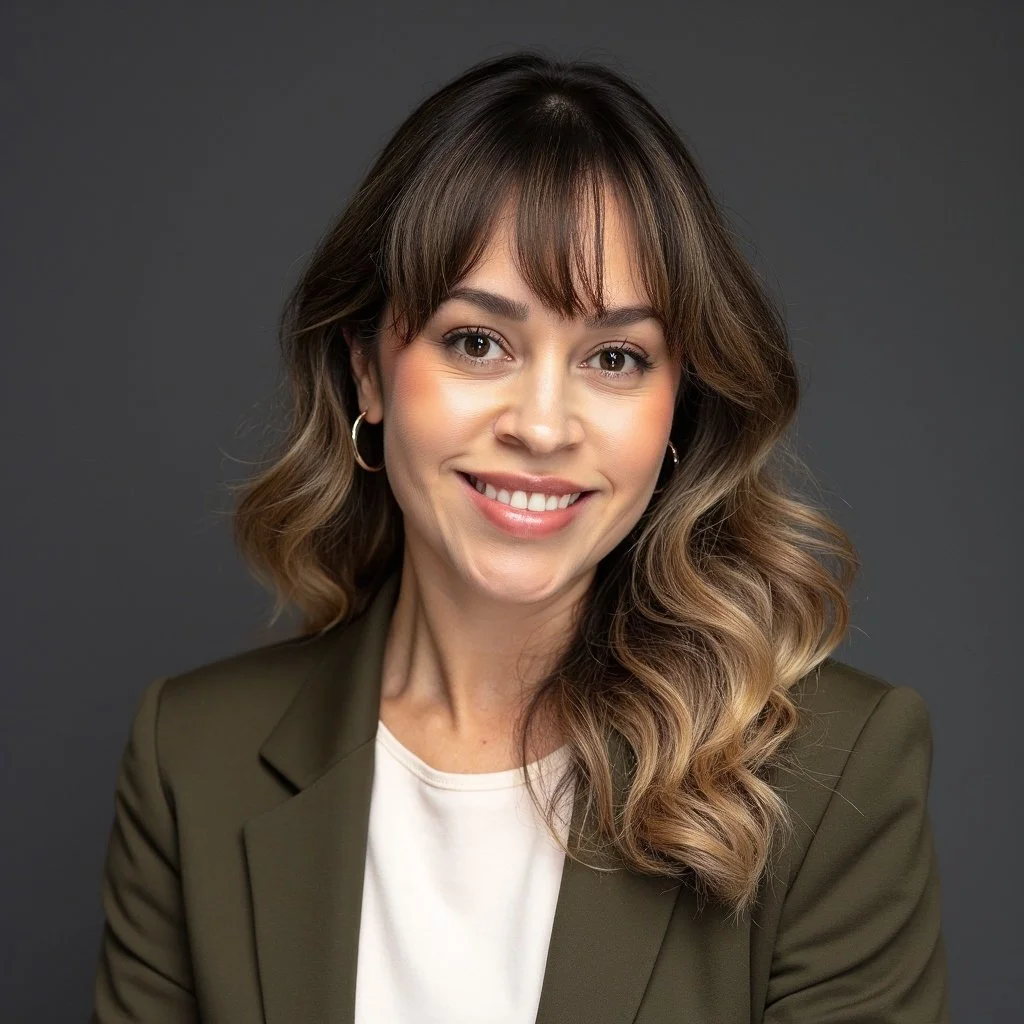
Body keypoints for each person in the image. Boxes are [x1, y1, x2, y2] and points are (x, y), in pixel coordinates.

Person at [90, 52, 950, 1023]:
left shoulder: (832, 771)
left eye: (616, 357)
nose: (542, 425)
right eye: (477, 341)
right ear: (369, 373)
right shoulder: (192, 758)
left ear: (678, 413)